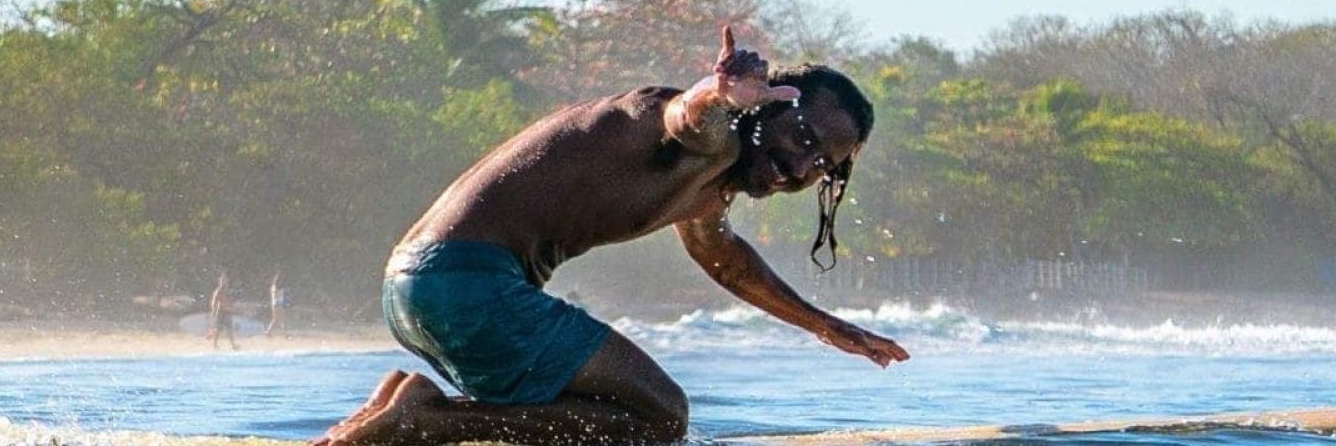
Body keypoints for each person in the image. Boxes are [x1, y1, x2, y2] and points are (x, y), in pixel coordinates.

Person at [317, 26, 906, 446]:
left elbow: (724, 259)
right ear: (767, 108)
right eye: (804, 140)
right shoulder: (705, 137)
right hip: (469, 288)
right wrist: (717, 92)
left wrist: (828, 327)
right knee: (661, 419)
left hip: (421, 288)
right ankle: (428, 423)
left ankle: (395, 409)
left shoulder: (708, 182)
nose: (802, 170)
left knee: (618, 414)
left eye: (822, 165)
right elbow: (688, 116)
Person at [206, 273, 237, 351]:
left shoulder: (227, 291)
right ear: (220, 282)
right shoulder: (218, 291)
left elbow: (230, 301)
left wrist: (231, 307)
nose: (224, 283)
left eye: (225, 281)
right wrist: (213, 310)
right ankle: (215, 345)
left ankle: (233, 345)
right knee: (217, 329)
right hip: (220, 312)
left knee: (229, 329)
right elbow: (214, 301)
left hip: (227, 311)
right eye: (222, 281)